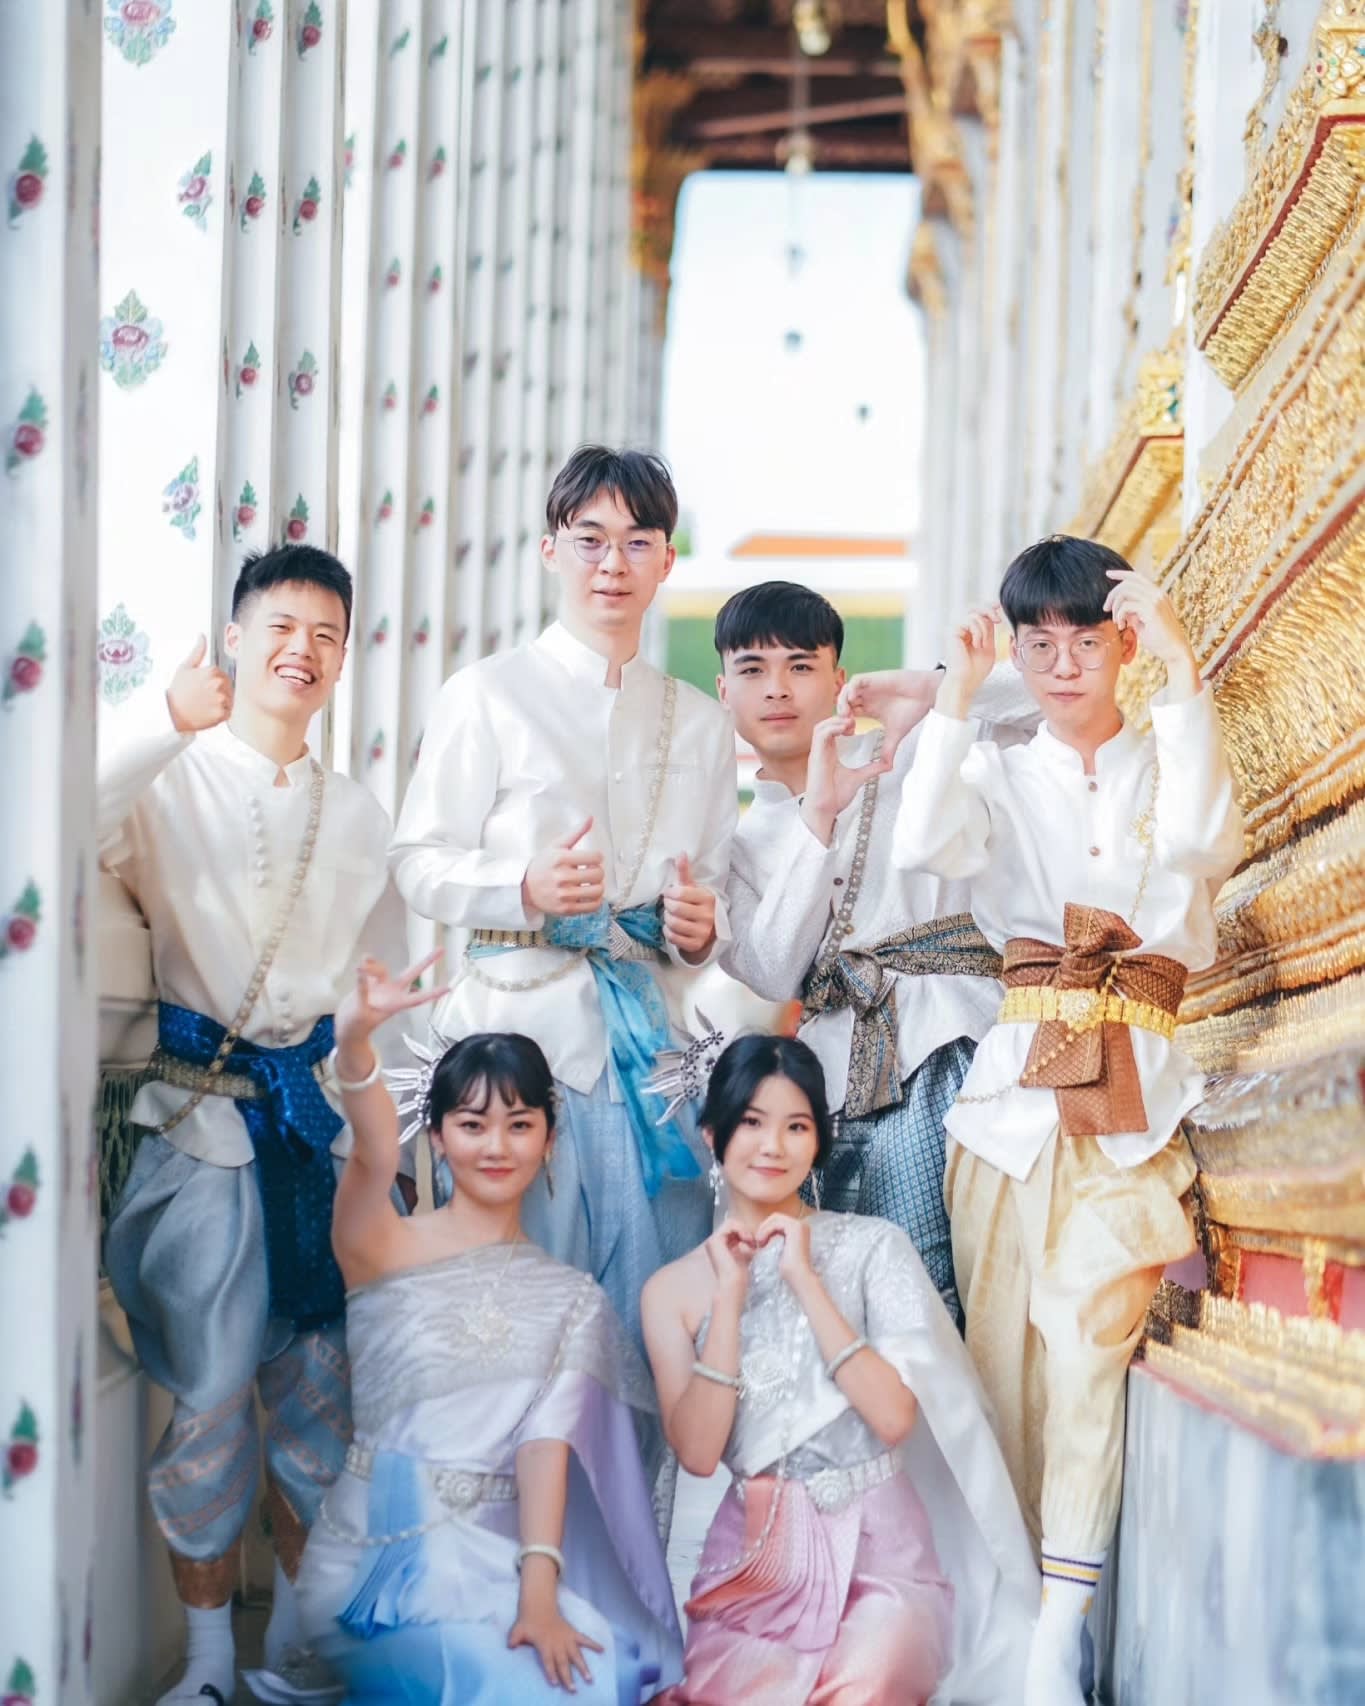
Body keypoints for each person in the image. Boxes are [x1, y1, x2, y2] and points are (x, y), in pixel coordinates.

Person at [881, 536, 1244, 1705]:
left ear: (1122, 641)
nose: (1062, 664)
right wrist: (954, 698)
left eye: (1086, 639)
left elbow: (1202, 847)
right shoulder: (997, 771)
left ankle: (1062, 1631)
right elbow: (922, 846)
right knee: (1003, 1370)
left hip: (1132, 1101)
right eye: (1038, 644)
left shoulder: (1169, 754)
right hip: (1011, 1106)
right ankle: (1020, 1621)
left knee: (1090, 1344)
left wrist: (1181, 672)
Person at [100, 546, 413, 1706]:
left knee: (324, 1400)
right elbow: (51, 829)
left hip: (314, 1133)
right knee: (213, 1394)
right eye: (282, 624)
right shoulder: (167, 781)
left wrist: (386, 1137)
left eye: (327, 633)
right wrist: (159, 723)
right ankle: (206, 1664)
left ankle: (294, 1646)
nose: (303, 649)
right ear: (235, 637)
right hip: (201, 1127)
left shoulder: (361, 812)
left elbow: (376, 989)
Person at [390, 446, 736, 1358]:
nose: (612, 564)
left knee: (659, 1317)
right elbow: (417, 862)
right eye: (589, 539)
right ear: (550, 551)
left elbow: (712, 893)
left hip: (652, 1059)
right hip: (513, 1051)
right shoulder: (487, 695)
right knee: (515, 1321)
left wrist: (701, 931)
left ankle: (643, 1460)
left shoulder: (701, 722)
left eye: (637, 542)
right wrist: (522, 890)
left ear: (666, 560)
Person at [291, 954, 685, 1703]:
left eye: (519, 1125)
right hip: (381, 1553)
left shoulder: (572, 1300)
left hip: (505, 1558)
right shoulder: (381, 1245)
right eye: (472, 1125)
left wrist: (539, 1598)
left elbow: (545, 1450)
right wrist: (355, 1044)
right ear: (438, 1136)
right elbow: (373, 1153)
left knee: (598, 1672)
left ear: (549, 1139)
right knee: (499, 1680)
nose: (496, 1146)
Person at [642, 1034, 1038, 1705]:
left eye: (796, 1127)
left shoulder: (874, 1247)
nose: (773, 1146)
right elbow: (700, 1454)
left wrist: (804, 1280)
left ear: (818, 1142)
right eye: (751, 1122)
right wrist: (730, 1299)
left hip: (882, 1558)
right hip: (752, 1558)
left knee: (866, 1684)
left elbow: (893, 1418)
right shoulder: (671, 1291)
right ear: (712, 1133)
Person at [716, 581, 1035, 1323]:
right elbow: (771, 970)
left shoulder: (911, 747)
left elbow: (1046, 706)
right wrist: (818, 817)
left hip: (956, 1046)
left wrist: (933, 688)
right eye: (753, 670)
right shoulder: (737, 846)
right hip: (826, 1093)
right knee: (858, 1300)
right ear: (724, 690)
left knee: (967, 1290)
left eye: (800, 666)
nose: (777, 689)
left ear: (838, 678)